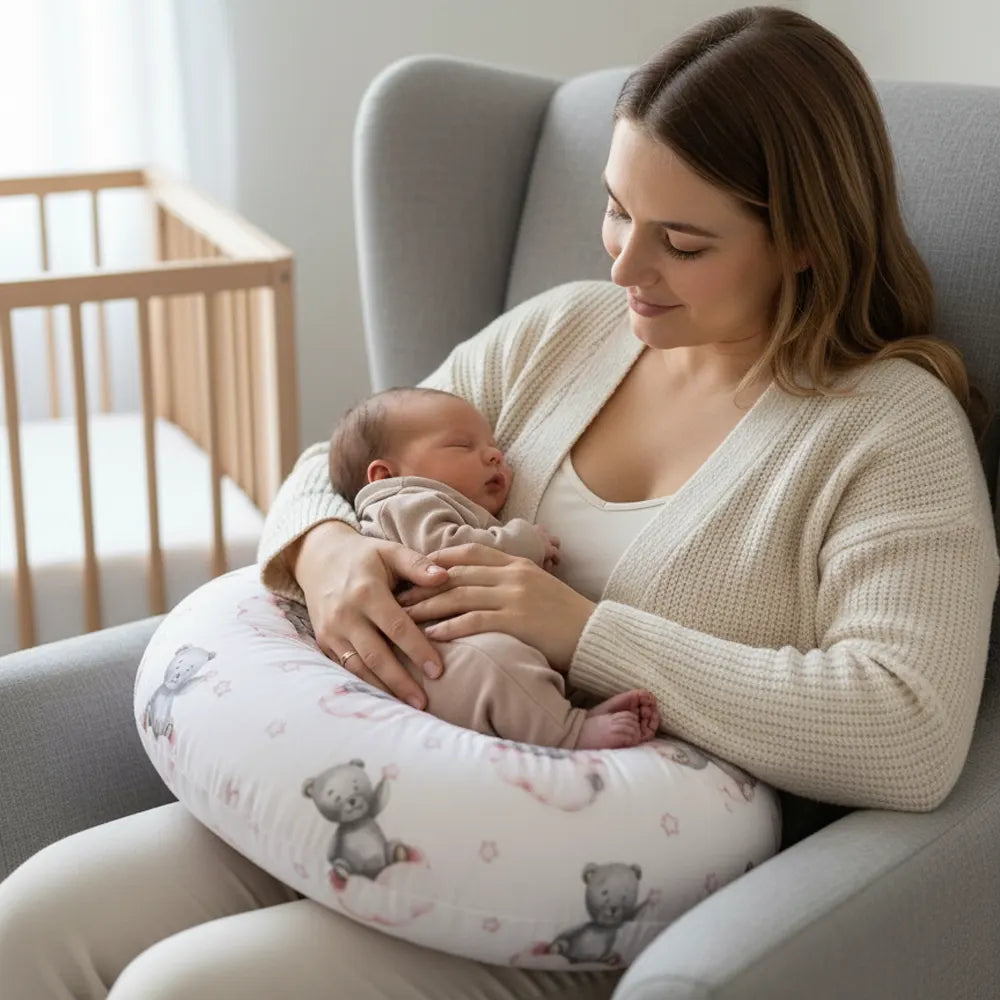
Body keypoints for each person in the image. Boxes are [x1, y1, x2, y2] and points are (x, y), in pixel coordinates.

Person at [1, 7, 997, 999]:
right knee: (32, 919)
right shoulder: (566, 332)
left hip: (597, 881)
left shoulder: (890, 429)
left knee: (185, 988)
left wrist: (584, 631)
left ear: (806, 241)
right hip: (403, 776)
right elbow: (346, 459)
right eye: (615, 209)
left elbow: (906, 730)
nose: (622, 268)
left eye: (681, 243)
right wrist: (323, 548)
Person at [328, 384, 661, 749]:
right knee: (500, 663)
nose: (494, 456)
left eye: (494, 447)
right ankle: (570, 731)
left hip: (458, 639)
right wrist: (523, 541)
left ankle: (574, 709)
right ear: (384, 475)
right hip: (432, 653)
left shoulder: (443, 502)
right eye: (462, 445)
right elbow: (446, 551)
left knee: (528, 660)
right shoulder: (401, 501)